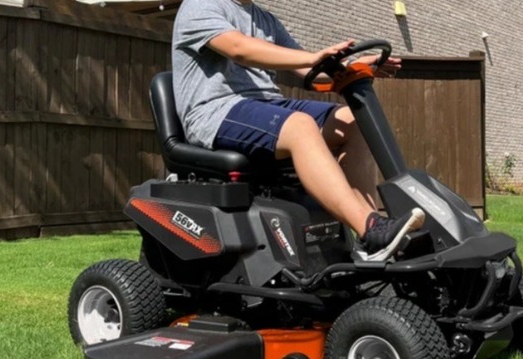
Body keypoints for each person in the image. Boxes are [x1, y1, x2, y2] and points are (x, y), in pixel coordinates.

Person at [171, 0, 424, 261]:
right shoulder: (200, 5)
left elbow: (309, 70)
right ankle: (369, 229)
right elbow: (238, 49)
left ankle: (374, 234)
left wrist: (355, 67)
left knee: (352, 119)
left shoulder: (265, 20)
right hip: (214, 111)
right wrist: (313, 57)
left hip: (265, 105)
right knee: (300, 124)